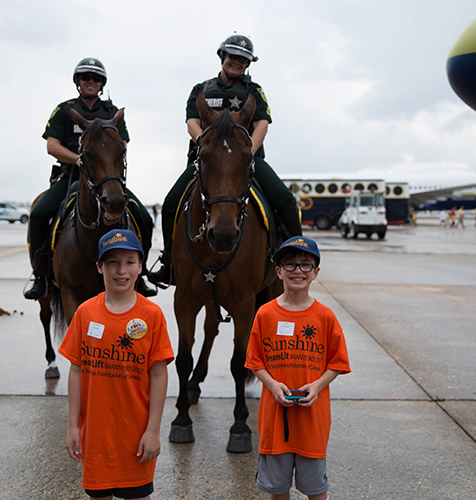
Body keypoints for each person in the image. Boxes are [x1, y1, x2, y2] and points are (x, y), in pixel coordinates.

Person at [148, 33, 302, 286]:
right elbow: (192, 122)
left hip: (245, 158)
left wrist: (247, 152)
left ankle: (297, 256)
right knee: (170, 202)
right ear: (223, 56)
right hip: (207, 160)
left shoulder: (254, 91)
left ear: (247, 63)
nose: (236, 62)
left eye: (242, 59)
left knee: (284, 199)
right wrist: (204, 145)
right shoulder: (201, 89)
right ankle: (169, 261)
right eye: (233, 56)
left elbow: (262, 123)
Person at [24, 57, 156, 300]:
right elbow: (52, 146)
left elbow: (122, 144)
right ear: (78, 81)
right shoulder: (64, 110)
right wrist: (78, 159)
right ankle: (41, 275)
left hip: (106, 176)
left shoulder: (112, 112)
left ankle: (143, 272)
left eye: (96, 78)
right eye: (86, 77)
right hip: (71, 175)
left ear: (102, 83)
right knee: (39, 214)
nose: (91, 82)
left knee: (144, 218)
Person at [58, 229, 174, 500]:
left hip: (135, 436)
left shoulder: (152, 315)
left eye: (130, 262)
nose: (121, 270)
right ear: (99, 267)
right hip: (96, 436)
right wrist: (73, 427)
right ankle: (41, 272)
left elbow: (159, 374)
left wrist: (154, 430)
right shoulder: (85, 312)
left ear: (141, 266)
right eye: (112, 262)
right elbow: (76, 370)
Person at [245, 236, 351, 500]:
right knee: (277, 490)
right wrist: (272, 384)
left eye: (306, 265)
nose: (297, 271)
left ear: (316, 273)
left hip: (312, 422)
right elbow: (255, 362)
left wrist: (317, 385)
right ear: (278, 271)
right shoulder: (265, 314)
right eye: (290, 264)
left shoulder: (325, 316)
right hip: (274, 421)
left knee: (316, 491)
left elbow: (337, 362)